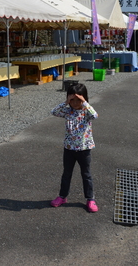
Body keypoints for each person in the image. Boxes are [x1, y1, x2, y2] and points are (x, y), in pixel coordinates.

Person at [50, 83, 99, 213]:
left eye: (79, 100)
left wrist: (85, 103)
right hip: (69, 149)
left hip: (84, 149)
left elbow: (95, 115)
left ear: (84, 99)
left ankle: (90, 199)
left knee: (86, 174)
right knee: (66, 174)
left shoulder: (86, 111)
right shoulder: (67, 111)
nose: (76, 103)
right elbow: (53, 112)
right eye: (73, 100)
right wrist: (66, 102)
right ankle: (62, 196)